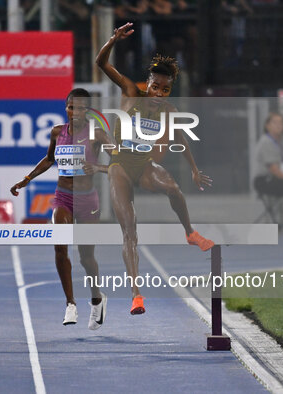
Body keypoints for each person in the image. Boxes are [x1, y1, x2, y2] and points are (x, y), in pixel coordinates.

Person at [96, 22, 214, 315]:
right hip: (121, 166)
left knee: (173, 187)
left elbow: (180, 137)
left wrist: (194, 169)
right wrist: (113, 40)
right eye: (155, 86)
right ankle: (137, 294)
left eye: (165, 89)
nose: (159, 93)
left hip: (144, 165)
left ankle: (190, 233)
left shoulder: (168, 110)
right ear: (146, 82)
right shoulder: (130, 92)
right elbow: (100, 62)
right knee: (130, 231)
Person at [10, 89, 112, 329]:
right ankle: (70, 303)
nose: (73, 112)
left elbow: (119, 164)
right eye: (70, 107)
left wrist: (97, 168)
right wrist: (26, 179)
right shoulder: (57, 132)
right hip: (63, 197)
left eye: (79, 108)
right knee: (60, 246)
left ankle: (97, 298)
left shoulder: (97, 134)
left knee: (86, 257)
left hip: (88, 201)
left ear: (88, 110)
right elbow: (48, 159)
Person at [254, 112, 283, 232]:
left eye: (281, 123)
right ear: (267, 125)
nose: (279, 125)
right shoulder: (266, 142)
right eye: (275, 122)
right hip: (266, 179)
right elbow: (273, 169)